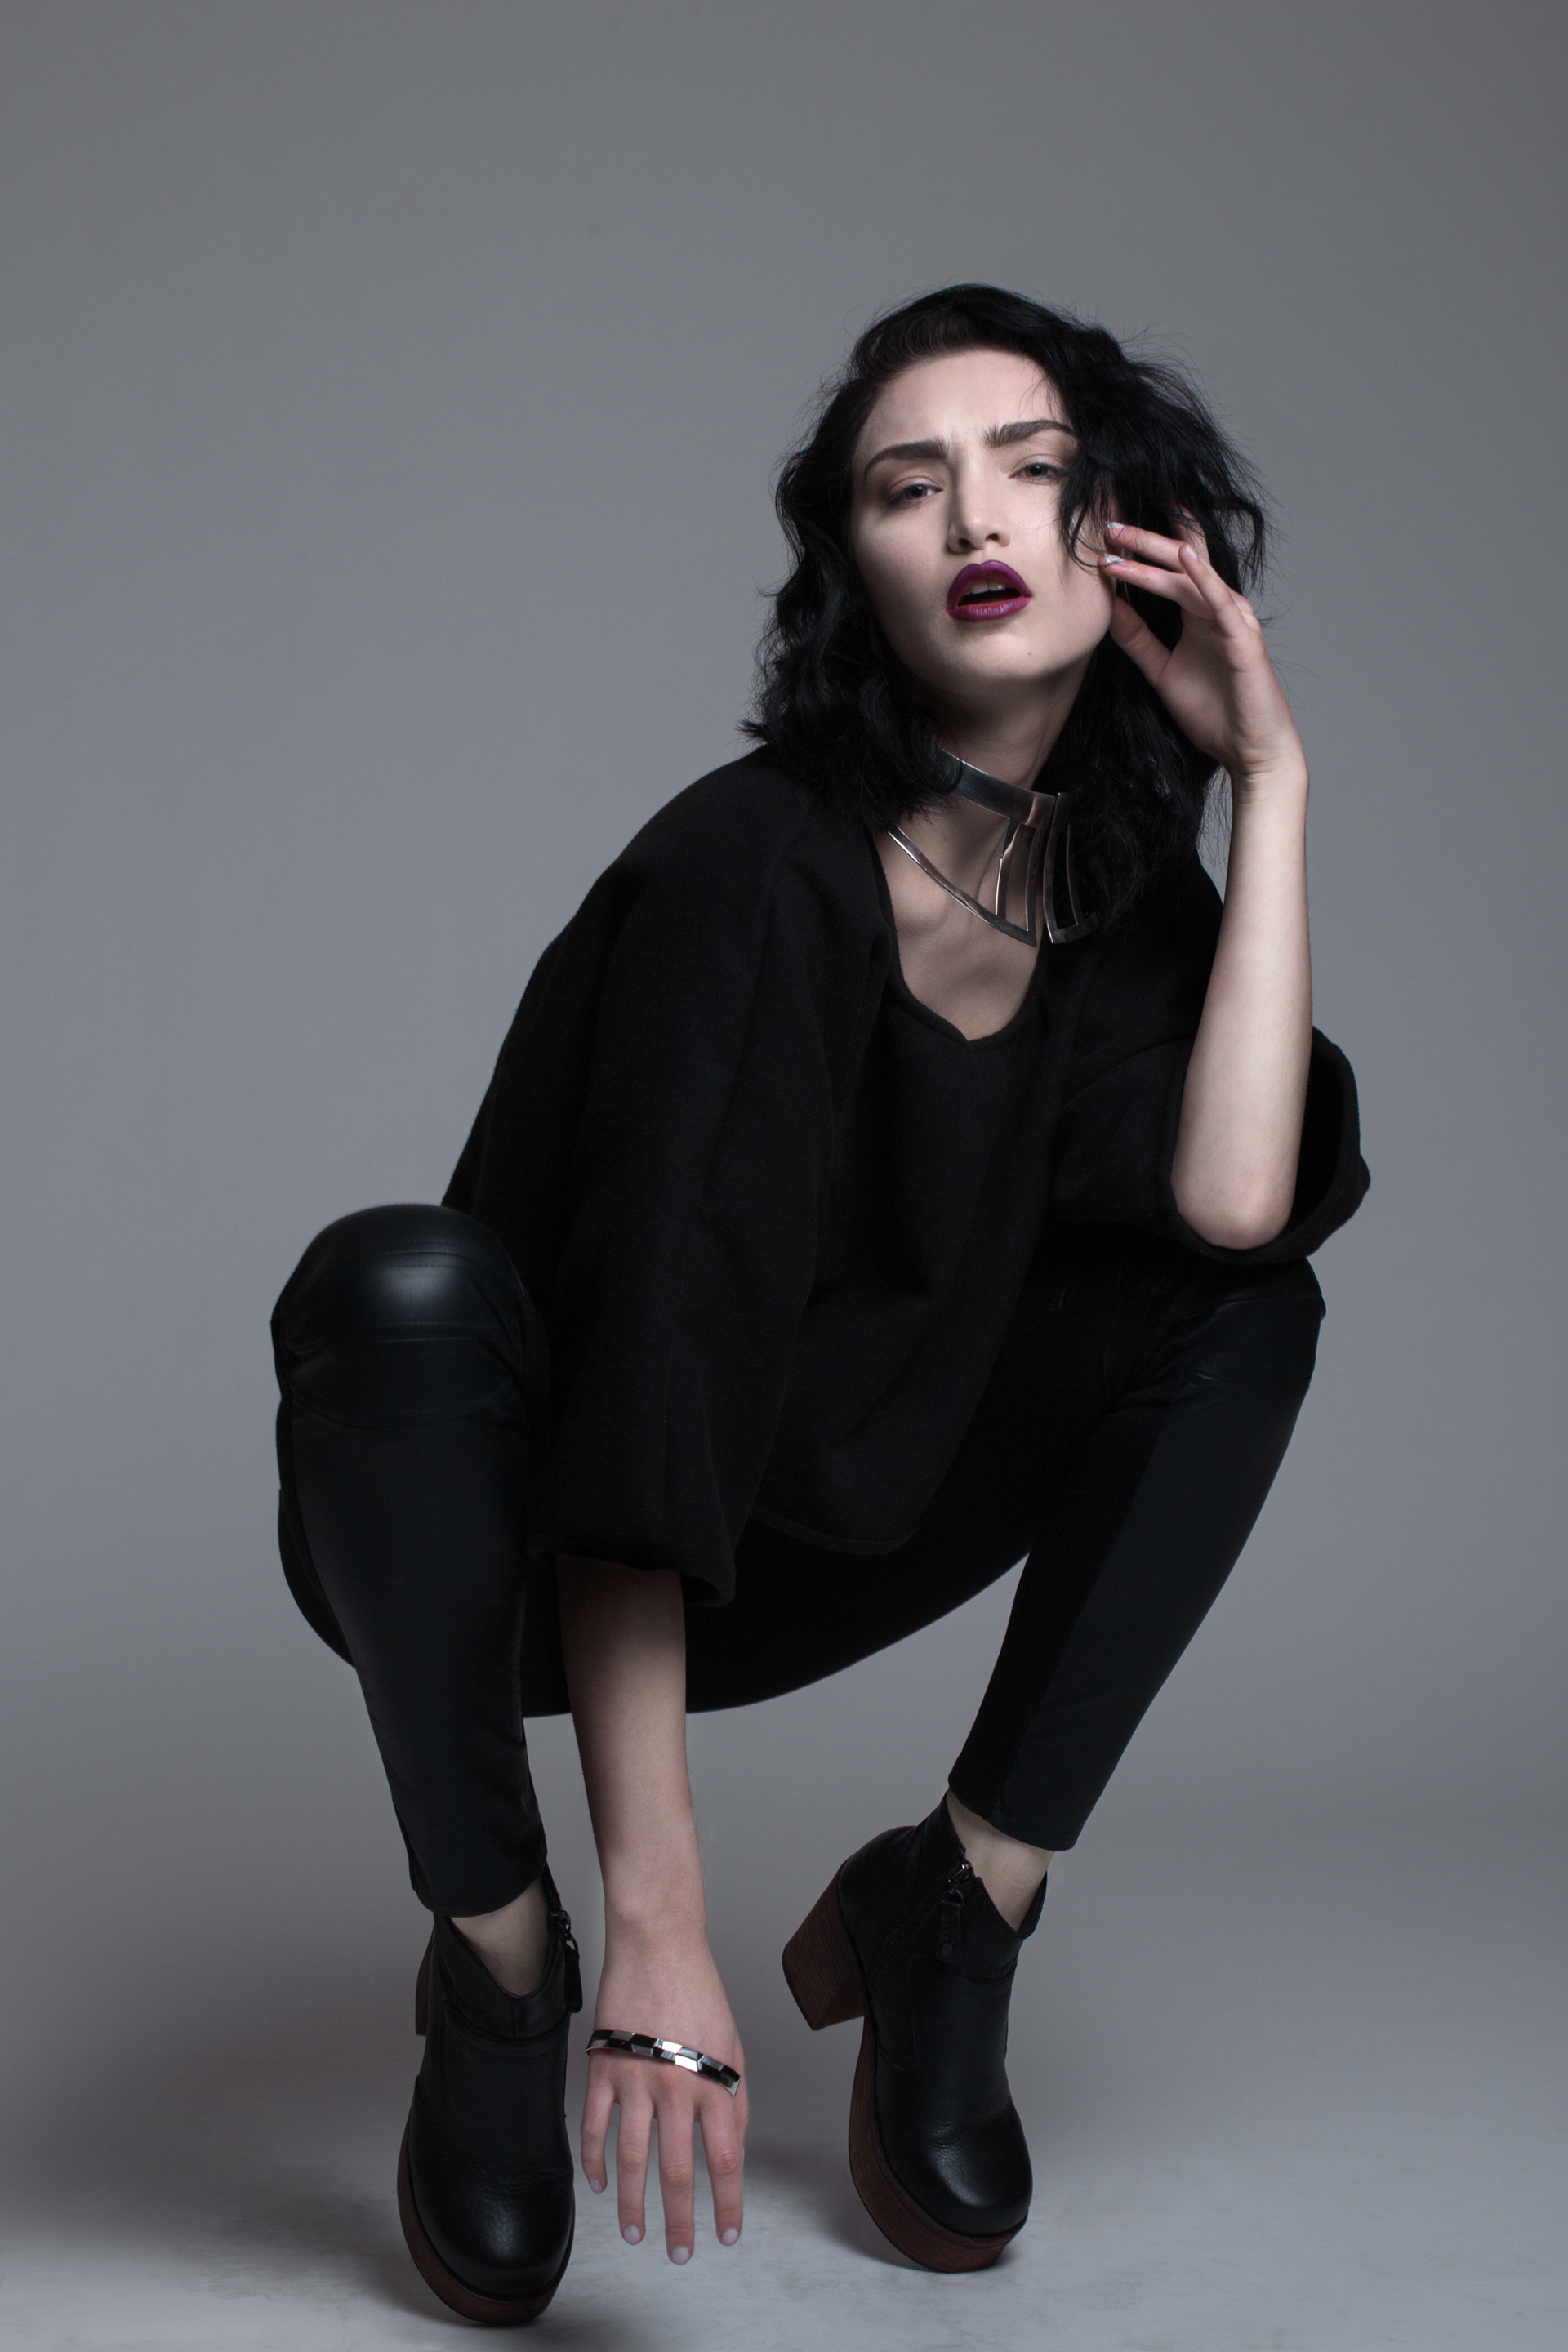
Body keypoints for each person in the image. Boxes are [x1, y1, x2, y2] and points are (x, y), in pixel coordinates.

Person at [271, 283, 1367, 2321]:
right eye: (906, 484)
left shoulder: (1116, 891)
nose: (978, 518)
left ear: (1128, 534)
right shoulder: (753, 871)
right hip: (519, 1548)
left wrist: (1273, 776)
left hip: (819, 1536)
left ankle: (960, 1908)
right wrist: (654, 1927)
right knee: (394, 1286)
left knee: (1247, 1311)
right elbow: (646, 1388)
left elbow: (1233, 1204)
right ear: (852, 566)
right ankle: (498, 1970)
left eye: (1035, 469)